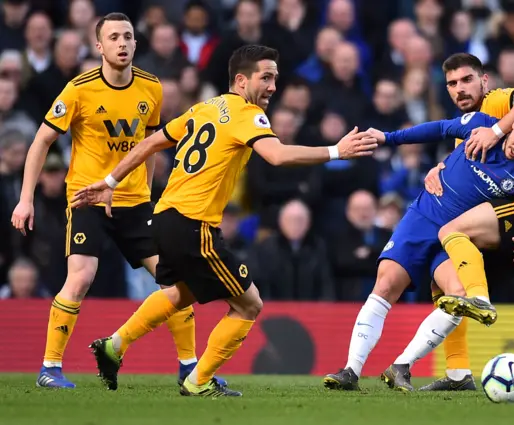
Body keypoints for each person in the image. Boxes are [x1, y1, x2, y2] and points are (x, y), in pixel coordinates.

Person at [70, 44, 377, 397]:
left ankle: (114, 345)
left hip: (166, 217)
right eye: (266, 77)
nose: (273, 86)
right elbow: (275, 156)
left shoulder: (203, 108)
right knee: (249, 304)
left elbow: (149, 143)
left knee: (178, 292)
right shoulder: (248, 114)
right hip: (193, 224)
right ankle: (198, 380)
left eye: (276, 78)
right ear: (242, 80)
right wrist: (336, 151)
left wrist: (110, 182)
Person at [10, 12, 213, 389]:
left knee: (177, 282)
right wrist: (26, 200)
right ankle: (49, 368)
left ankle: (189, 367)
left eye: (128, 36)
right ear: (99, 46)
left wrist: (151, 195)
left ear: (136, 43)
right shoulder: (79, 88)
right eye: (114, 37)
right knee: (82, 276)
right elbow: (41, 141)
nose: (122, 43)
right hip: (88, 197)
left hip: (134, 202)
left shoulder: (152, 88)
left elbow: (151, 145)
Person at [323, 106, 514, 391]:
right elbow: (440, 128)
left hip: (457, 240)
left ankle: (402, 366)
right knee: (386, 283)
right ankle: (351, 371)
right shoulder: (483, 126)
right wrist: (389, 137)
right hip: (425, 215)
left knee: (458, 297)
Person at [419, 53, 514, 391]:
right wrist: (438, 167)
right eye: (452, 83)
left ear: (484, 81)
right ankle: (458, 374)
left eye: (467, 80)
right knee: (447, 282)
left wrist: (498, 128)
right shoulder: (464, 128)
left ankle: (480, 300)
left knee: (450, 232)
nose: (460, 89)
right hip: (499, 219)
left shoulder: (497, 103)